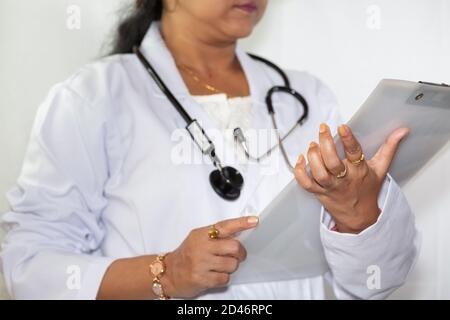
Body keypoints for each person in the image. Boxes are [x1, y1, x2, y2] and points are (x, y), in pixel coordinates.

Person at [0, 0, 418, 300]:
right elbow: (31, 265)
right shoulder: (93, 97)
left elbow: (377, 281)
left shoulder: (306, 96)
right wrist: (167, 273)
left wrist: (358, 218)